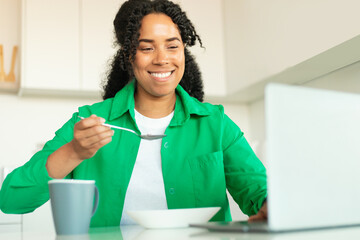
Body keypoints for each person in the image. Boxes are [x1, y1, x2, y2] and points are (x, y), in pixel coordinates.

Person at [0, 0, 267, 227]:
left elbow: (258, 191)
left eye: (172, 46)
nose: (162, 59)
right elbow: (11, 200)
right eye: (147, 47)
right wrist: (74, 152)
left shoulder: (215, 124)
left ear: (183, 52)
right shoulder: (88, 122)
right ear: (129, 56)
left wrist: (269, 206)